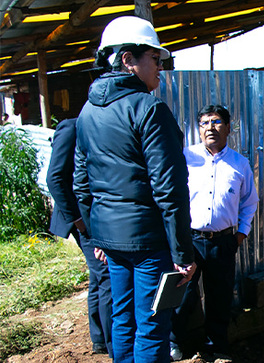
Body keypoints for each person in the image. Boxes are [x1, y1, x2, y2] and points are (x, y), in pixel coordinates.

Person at [73, 16, 196, 363]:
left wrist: (97, 237)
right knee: (153, 327)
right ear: (128, 59)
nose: (160, 68)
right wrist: (183, 254)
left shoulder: (87, 111)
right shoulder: (149, 109)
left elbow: (81, 182)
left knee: (122, 320)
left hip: (111, 241)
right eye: (155, 60)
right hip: (148, 244)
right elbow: (170, 189)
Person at [170, 104, 259, 362]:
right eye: (205, 122)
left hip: (223, 242)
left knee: (219, 296)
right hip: (189, 241)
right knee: (184, 295)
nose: (211, 127)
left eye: (217, 121)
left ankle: (214, 344)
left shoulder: (239, 164)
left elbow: (250, 202)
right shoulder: (186, 158)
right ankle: (175, 342)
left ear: (228, 128)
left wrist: (240, 235)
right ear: (198, 129)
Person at [47, 117, 113, 357]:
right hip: (82, 218)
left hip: (95, 215)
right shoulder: (71, 127)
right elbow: (54, 177)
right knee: (105, 272)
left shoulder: (100, 124)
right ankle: (112, 342)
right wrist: (77, 219)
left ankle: (99, 339)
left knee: (97, 276)